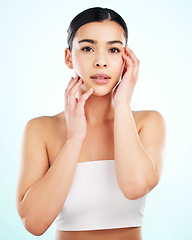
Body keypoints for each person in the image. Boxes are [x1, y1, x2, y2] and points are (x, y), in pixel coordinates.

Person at [16, 7, 166, 240]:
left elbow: (134, 187)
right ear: (68, 57)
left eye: (113, 49)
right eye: (88, 48)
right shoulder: (40, 130)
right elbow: (33, 223)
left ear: (126, 59)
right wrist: (74, 138)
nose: (101, 61)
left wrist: (123, 103)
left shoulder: (147, 123)